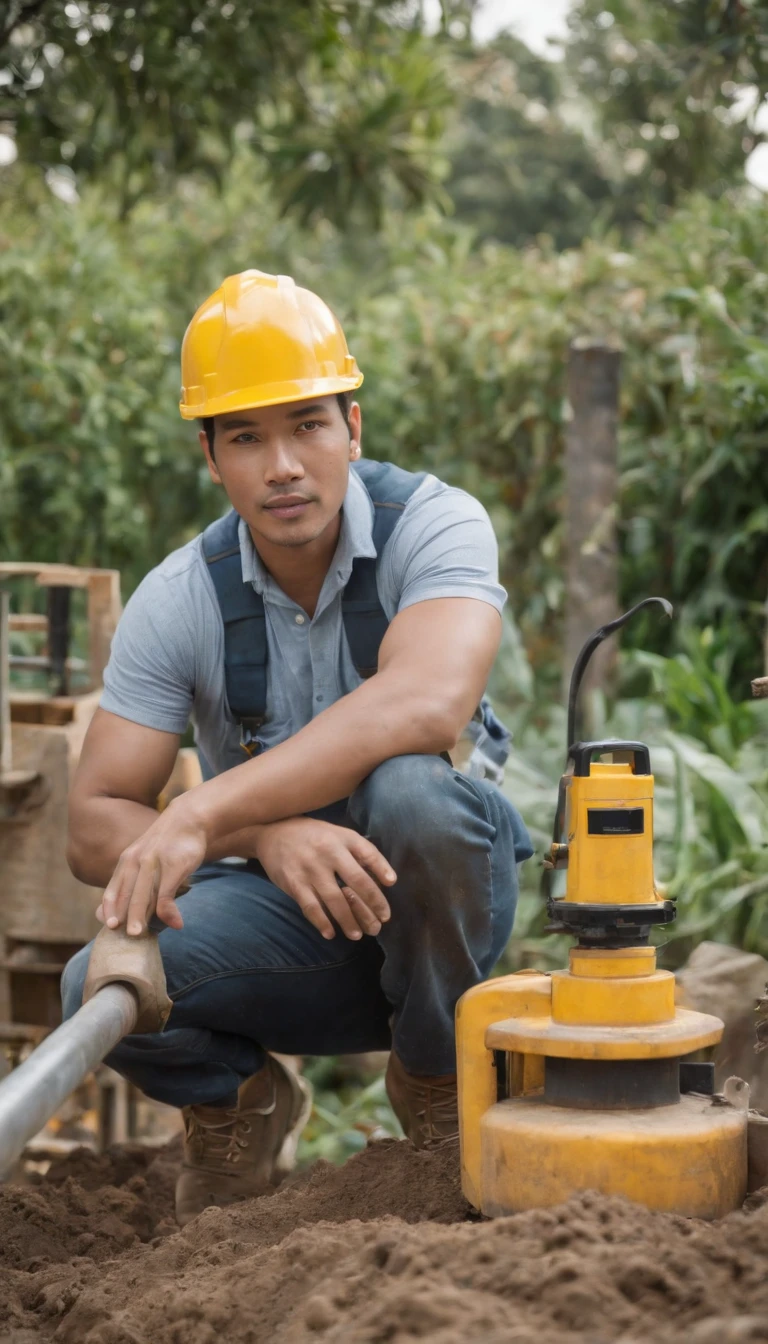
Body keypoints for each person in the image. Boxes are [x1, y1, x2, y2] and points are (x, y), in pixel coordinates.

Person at [62, 269, 533, 1226]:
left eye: (308, 425)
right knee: (97, 984)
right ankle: (238, 1101)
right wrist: (266, 836)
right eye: (247, 437)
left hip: (439, 919)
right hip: (292, 939)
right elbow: (92, 823)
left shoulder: (435, 525)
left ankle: (437, 1078)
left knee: (411, 793)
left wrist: (201, 812)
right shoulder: (181, 597)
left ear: (352, 429)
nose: (283, 465)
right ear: (211, 457)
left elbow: (427, 703)